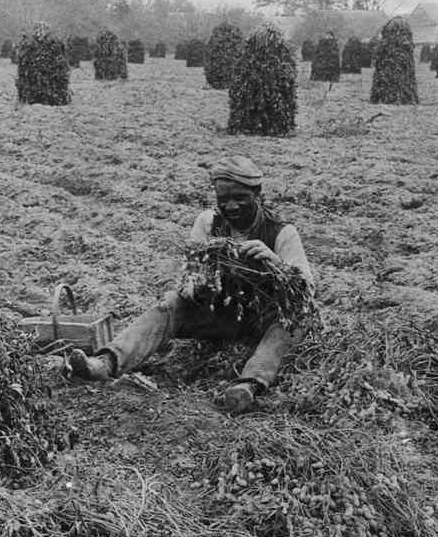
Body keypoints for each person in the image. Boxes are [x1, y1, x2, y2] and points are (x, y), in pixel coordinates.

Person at [64, 155, 314, 414]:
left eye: (240, 198)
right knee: (170, 302)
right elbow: (188, 276)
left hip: (258, 321)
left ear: (258, 194)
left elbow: (306, 290)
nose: (231, 206)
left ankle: (249, 384)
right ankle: (106, 362)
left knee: (296, 319)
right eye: (223, 199)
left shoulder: (282, 233)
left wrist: (276, 264)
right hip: (218, 315)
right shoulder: (208, 223)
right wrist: (196, 285)